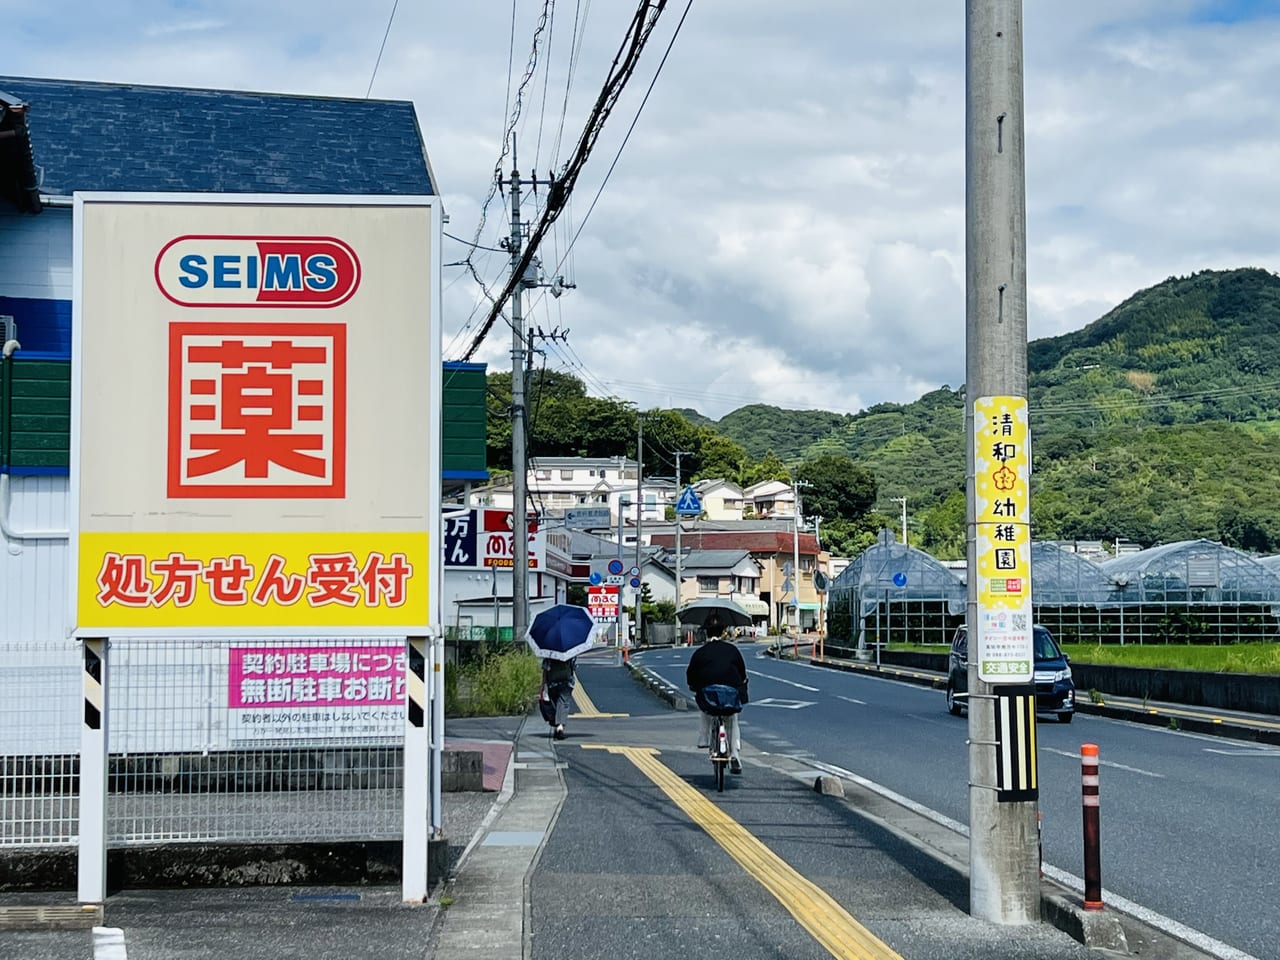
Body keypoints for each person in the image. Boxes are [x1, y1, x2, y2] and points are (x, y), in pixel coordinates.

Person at [685, 635, 748, 774]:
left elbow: (691, 675)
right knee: (732, 718)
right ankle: (735, 753)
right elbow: (742, 674)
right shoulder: (732, 650)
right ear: (723, 633)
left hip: (708, 694)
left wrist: (694, 685)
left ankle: (703, 738)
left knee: (706, 709)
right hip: (730, 694)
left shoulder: (701, 652)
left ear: (707, 634)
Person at [541, 656, 576, 740]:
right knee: (563, 703)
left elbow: (545, 669)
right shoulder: (569, 653)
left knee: (554, 703)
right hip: (566, 682)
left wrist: (543, 683)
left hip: (552, 682)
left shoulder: (549, 653)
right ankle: (560, 726)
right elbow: (573, 667)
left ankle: (557, 725)